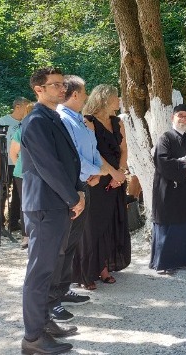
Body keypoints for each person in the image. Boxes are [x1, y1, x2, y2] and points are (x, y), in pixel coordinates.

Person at [50, 76, 125, 322]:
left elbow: (92, 151)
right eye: (83, 92)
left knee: (74, 240)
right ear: (75, 94)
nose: (86, 96)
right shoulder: (67, 119)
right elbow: (74, 155)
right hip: (78, 184)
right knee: (66, 242)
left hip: (90, 181)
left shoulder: (79, 120)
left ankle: (64, 288)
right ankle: (54, 298)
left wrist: (102, 173)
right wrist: (98, 173)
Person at [20, 67, 85, 355]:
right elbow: (49, 167)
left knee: (52, 268)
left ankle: (44, 322)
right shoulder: (35, 121)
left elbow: (69, 161)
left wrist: (79, 190)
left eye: (62, 84)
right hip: (45, 206)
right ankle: (33, 337)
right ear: (39, 89)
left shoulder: (52, 117)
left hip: (57, 204)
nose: (62, 89)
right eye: (55, 85)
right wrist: (73, 198)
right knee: (40, 272)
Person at [75, 84, 131, 290]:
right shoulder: (88, 121)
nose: (119, 101)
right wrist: (112, 172)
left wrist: (120, 173)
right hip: (97, 178)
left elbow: (124, 149)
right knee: (93, 226)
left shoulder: (118, 122)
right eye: (116, 97)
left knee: (110, 222)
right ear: (105, 99)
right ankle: (86, 271)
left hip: (116, 179)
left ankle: (104, 267)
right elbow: (93, 153)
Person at [150, 104, 186, 273]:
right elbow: (162, 162)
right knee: (170, 222)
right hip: (169, 189)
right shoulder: (165, 138)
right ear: (172, 118)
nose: (183, 119)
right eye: (180, 115)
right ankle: (166, 262)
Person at [0, 96, 29, 231]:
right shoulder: (3, 121)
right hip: (5, 162)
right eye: (26, 107)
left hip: (20, 163)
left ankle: (13, 222)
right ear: (18, 107)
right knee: (2, 192)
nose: (27, 110)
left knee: (19, 193)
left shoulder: (26, 122)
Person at [9, 101, 35, 248]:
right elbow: (13, 153)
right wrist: (21, 167)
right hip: (22, 174)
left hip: (39, 173)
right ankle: (26, 236)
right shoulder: (21, 130)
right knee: (25, 203)